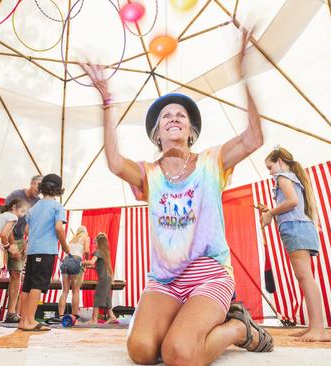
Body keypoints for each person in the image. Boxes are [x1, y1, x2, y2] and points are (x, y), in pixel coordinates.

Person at [80, 26, 273, 365]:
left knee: (179, 354)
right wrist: (107, 103)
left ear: (190, 130)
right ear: (157, 133)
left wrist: (244, 75)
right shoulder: (148, 174)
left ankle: (237, 329)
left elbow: (254, 138)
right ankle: (184, 323)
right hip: (165, 280)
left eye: (180, 115)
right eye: (166, 116)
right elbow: (113, 162)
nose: (174, 118)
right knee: (140, 351)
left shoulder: (211, 162)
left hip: (209, 274)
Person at [259, 147, 330, 342]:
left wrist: (270, 213)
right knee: (304, 276)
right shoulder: (291, 177)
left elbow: (291, 201)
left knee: (305, 277)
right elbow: (293, 204)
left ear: (280, 161)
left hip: (296, 228)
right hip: (300, 226)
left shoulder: (282, 176)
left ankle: (319, 329)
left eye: (270, 167)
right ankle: (313, 326)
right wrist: (270, 210)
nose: (269, 172)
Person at [18, 173, 70, 332]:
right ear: (59, 190)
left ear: (42, 188)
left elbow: (26, 229)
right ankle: (30, 320)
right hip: (45, 250)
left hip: (32, 250)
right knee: (37, 285)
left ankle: (23, 320)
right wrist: (66, 248)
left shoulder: (34, 208)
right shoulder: (57, 207)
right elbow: (59, 228)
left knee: (27, 286)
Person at [3, 175, 42, 323]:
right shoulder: (16, 195)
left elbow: (31, 225)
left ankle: (11, 312)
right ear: (31, 183)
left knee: (16, 274)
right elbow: (6, 217)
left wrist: (26, 242)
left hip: (20, 239)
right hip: (5, 235)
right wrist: (11, 244)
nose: (40, 189)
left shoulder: (38, 202)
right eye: (38, 185)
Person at [83, 233, 117, 324]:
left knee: (98, 296)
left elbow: (91, 262)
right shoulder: (105, 253)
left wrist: (83, 263)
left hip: (103, 278)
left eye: (95, 242)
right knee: (106, 297)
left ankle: (94, 319)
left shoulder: (98, 252)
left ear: (99, 242)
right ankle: (112, 316)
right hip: (108, 277)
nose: (95, 244)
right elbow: (104, 266)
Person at [58, 226, 90, 319]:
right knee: (75, 291)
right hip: (76, 261)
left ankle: (60, 316)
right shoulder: (86, 237)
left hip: (65, 261)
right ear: (85, 231)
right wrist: (86, 259)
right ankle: (73, 317)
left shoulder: (72, 239)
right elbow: (87, 250)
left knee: (64, 291)